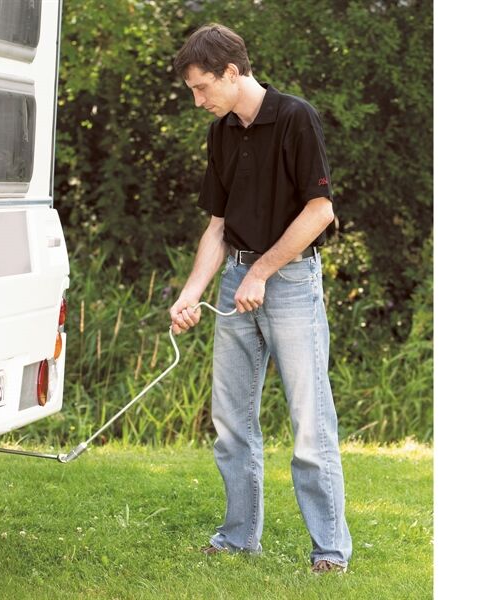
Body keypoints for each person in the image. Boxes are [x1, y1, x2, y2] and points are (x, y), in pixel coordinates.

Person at [169, 24, 352, 573]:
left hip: (290, 282)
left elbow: (320, 211)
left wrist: (263, 272)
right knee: (231, 423)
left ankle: (329, 551)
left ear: (231, 72)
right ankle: (237, 538)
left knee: (310, 424)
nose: (198, 101)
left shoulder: (295, 117)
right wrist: (190, 295)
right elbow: (217, 226)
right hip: (235, 281)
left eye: (202, 88)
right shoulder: (222, 132)